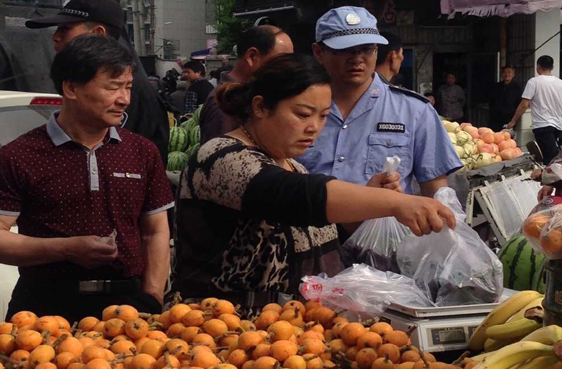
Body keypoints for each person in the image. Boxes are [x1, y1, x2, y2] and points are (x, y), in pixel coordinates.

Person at [172, 53, 456, 306]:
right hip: (222, 326)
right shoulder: (221, 157)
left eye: (323, 117)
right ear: (260, 107)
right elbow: (293, 196)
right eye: (303, 114)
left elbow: (320, 233)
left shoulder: (294, 167)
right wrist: (394, 202)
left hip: (296, 329)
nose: (314, 128)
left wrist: (369, 201)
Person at [0, 35, 174, 322]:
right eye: (113, 87)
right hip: (43, 307)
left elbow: (155, 231)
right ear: (71, 88)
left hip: (127, 308)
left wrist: (152, 296)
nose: (124, 99)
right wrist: (66, 249)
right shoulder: (18, 156)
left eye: (128, 87)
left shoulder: (141, 152)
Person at [298, 7, 461, 202]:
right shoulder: (295, 108)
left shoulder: (415, 111)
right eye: (344, 49)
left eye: (366, 49)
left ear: (376, 50)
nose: (357, 59)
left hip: (386, 223)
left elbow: (436, 191)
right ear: (318, 52)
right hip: (309, 220)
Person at [25, 0, 171, 165]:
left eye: (65, 29)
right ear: (70, 88)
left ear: (97, 34)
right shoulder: (19, 157)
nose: (55, 37)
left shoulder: (135, 97)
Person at [199, 25, 294, 145]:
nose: (289, 67)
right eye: (282, 60)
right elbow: (224, 153)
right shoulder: (226, 103)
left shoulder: (251, 94)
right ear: (251, 56)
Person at [508, 55, 562, 165]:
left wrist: (513, 121)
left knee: (549, 160)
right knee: (556, 158)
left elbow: (524, 104)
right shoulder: (560, 83)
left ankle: (549, 175)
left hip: (542, 126)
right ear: (552, 67)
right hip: (559, 126)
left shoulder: (534, 82)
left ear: (538, 66)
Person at [489, 66, 522, 132]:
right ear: (501, 74)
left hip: (510, 119)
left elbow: (520, 104)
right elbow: (491, 102)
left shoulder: (517, 88)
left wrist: (514, 120)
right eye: (504, 72)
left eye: (509, 72)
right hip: (496, 119)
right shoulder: (496, 87)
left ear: (513, 74)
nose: (507, 74)